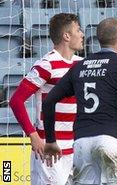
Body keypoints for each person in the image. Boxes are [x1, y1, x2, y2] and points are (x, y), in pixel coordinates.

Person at [41, 18, 117, 184]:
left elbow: (48, 101)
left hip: (82, 143)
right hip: (113, 140)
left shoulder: (80, 66)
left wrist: (51, 140)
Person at [8, 13, 84, 185]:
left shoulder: (82, 64)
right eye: (78, 30)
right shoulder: (46, 64)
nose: (82, 34)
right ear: (66, 36)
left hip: (77, 148)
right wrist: (33, 135)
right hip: (50, 149)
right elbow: (16, 101)